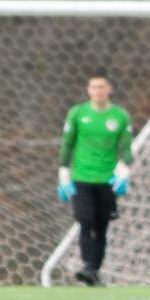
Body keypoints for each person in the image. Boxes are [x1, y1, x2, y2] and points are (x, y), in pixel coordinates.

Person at [58, 75, 134, 286]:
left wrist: (123, 172)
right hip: (82, 178)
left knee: (101, 226)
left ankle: (93, 270)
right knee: (85, 221)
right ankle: (88, 267)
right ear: (88, 90)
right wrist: (63, 174)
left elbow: (126, 149)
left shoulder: (120, 116)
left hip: (107, 180)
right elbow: (67, 144)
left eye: (101, 87)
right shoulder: (78, 113)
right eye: (93, 87)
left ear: (109, 89)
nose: (97, 91)